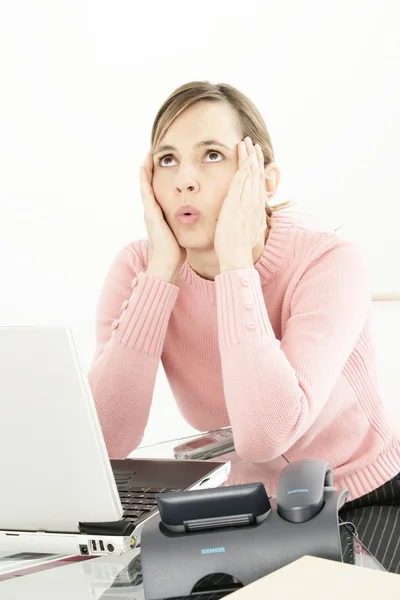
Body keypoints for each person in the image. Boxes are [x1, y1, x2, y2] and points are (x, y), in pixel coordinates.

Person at [88, 80, 400, 572]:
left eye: (211, 155)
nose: (184, 180)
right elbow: (105, 440)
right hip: (251, 507)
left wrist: (236, 266)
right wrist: (161, 277)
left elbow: (266, 434)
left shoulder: (328, 262)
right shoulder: (138, 270)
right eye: (167, 160)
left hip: (364, 497)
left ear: (264, 180)